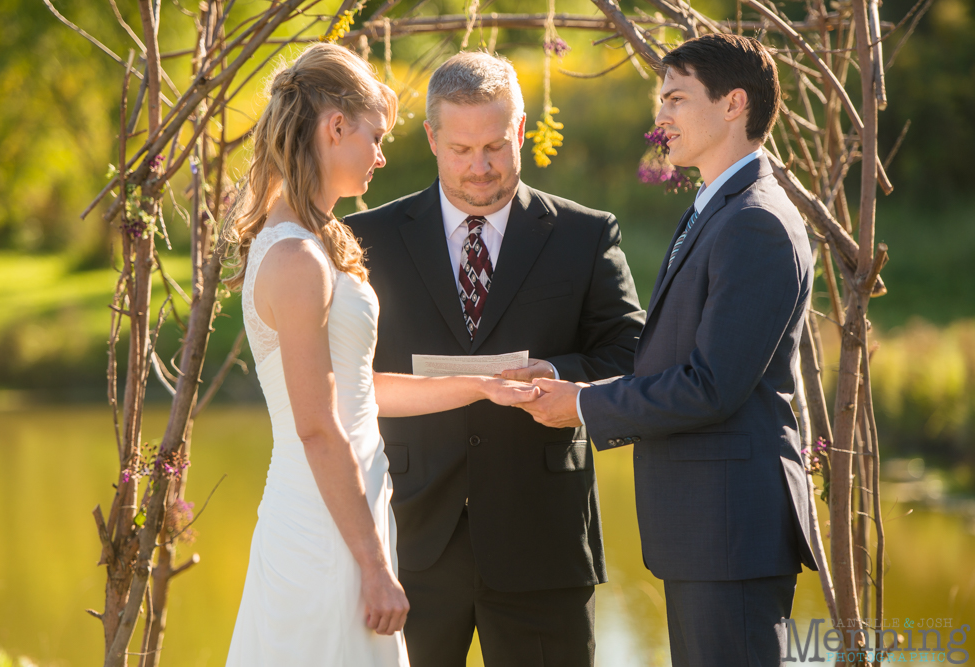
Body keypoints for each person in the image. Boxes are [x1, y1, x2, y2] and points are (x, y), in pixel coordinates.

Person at [221, 43, 539, 667]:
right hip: (323, 526)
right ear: (336, 127)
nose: (382, 154)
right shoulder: (295, 258)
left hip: (351, 509)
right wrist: (372, 565)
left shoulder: (316, 242)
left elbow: (358, 390)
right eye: (375, 135)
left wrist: (482, 384)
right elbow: (316, 427)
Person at [522, 34, 820, 666]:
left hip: (732, 533)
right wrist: (561, 373)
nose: (660, 119)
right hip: (710, 534)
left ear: (735, 103)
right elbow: (671, 351)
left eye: (677, 99)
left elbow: (711, 385)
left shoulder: (755, 222)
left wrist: (583, 405)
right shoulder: (717, 208)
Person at [346, 51, 646, 667]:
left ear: (522, 129)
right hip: (408, 540)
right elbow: (347, 376)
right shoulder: (368, 238)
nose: (480, 168)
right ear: (431, 138)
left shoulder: (586, 235)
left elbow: (632, 350)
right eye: (460, 150)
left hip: (544, 543)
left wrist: (561, 376)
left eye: (496, 146)